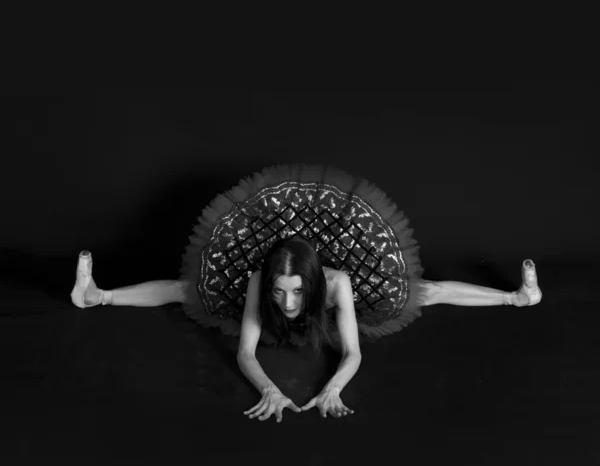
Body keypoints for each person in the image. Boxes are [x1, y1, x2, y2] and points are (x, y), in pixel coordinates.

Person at [71, 164, 542, 423]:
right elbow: (247, 353)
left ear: (314, 284)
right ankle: (99, 295)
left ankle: (515, 298)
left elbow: (353, 352)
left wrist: (332, 387)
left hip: (345, 292)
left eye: (297, 292)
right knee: (184, 289)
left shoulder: (338, 283)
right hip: (258, 278)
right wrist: (272, 391)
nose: (289, 303)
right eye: (280, 292)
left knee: (428, 290)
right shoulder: (258, 281)